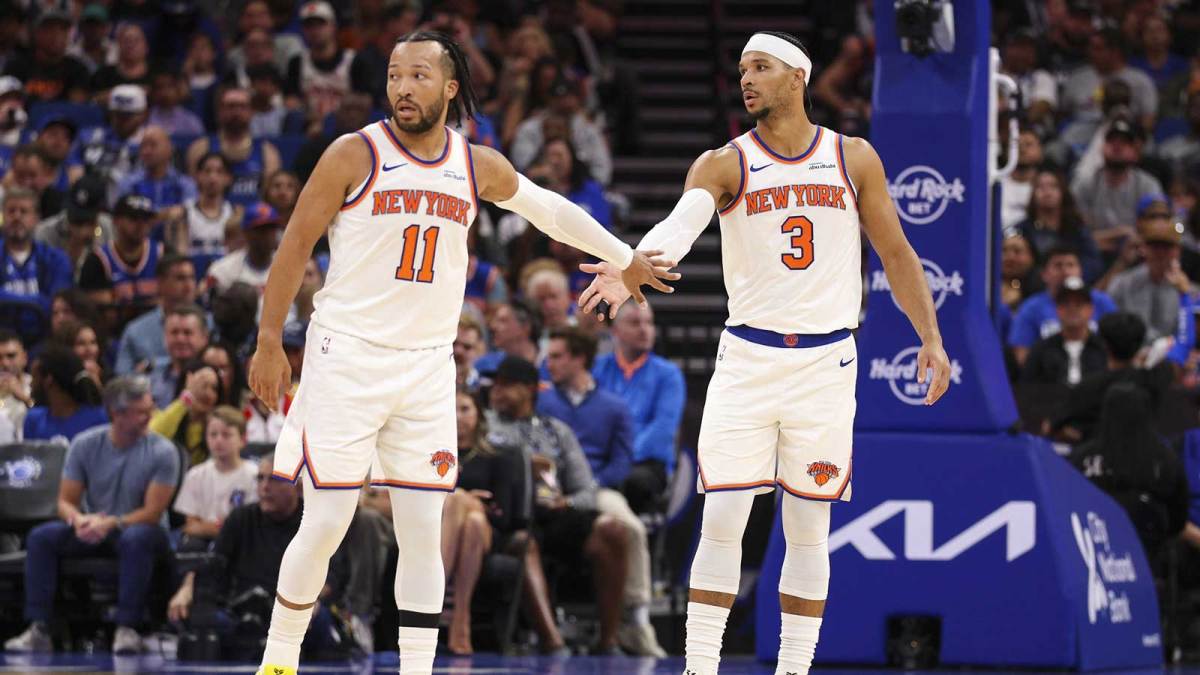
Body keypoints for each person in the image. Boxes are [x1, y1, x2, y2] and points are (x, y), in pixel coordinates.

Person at [244, 31, 673, 675]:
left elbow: (552, 211)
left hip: (426, 367)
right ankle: (277, 663)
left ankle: (418, 668)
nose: (402, 88)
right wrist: (270, 340)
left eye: (418, 76)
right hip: (347, 357)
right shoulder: (352, 153)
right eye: (394, 75)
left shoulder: (475, 164)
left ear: (449, 87)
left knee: (424, 527)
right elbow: (294, 247)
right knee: (328, 520)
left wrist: (625, 256)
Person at [578, 31, 952, 675]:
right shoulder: (723, 162)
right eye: (744, 68)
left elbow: (896, 253)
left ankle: (795, 668)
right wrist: (630, 267)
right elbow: (679, 227)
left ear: (798, 78)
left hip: (827, 362)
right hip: (748, 359)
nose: (747, 78)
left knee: (809, 528)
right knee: (722, 516)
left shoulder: (852, 157)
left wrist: (932, 338)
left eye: (762, 68)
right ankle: (699, 666)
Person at [3, 376, 179, 654]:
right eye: (142, 412)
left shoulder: (163, 451)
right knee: (41, 538)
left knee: (136, 538)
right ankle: (39, 627)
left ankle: (127, 627)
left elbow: (152, 512)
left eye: (150, 409)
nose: (150, 416)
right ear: (116, 414)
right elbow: (64, 501)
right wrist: (78, 520)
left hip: (142, 529)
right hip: (93, 525)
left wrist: (112, 522)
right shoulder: (85, 444)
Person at [487, 356, 630, 655]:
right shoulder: (485, 426)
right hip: (505, 516)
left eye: (506, 386)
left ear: (528, 389)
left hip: (552, 515)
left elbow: (587, 489)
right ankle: (552, 642)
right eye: (495, 385)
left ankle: (609, 639)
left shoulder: (556, 431)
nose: (496, 392)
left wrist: (566, 501)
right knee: (524, 543)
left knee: (612, 530)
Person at [536, 326, 665, 656]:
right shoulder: (541, 401)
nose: (549, 363)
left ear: (580, 359)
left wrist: (587, 490)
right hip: (550, 488)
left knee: (632, 528)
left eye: (557, 357)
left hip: (600, 486)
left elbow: (622, 462)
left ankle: (637, 621)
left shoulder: (614, 406)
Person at [167, 454, 349, 659]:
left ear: (297, 486)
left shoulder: (316, 524)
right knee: (200, 617)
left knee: (320, 620)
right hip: (242, 609)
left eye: (274, 479)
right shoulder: (240, 518)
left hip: (295, 608)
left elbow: (332, 576)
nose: (264, 487)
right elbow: (214, 564)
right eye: (260, 478)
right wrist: (186, 589)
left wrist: (309, 601)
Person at [440, 387, 528, 655]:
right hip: (438, 528)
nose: (458, 416)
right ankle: (460, 617)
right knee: (471, 520)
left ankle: (436, 594)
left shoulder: (497, 457)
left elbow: (504, 513)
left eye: (465, 409)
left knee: (467, 508)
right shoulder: (435, 456)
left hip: (491, 532)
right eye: (452, 409)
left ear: (479, 415)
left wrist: (467, 500)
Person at [1068, 382, 1189, 557]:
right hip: (1150, 563)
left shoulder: (1081, 458)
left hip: (1094, 562)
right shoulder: (1165, 460)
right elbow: (1178, 521)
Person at [593, 301, 686, 513]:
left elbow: (662, 430)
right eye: (635, 323)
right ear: (615, 331)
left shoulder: (668, 375)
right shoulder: (597, 368)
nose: (645, 329)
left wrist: (619, 459)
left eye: (649, 323)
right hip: (604, 459)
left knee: (629, 482)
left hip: (646, 463)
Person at [1050, 311, 1173, 442]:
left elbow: (1052, 425)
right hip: (1146, 452)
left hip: (1096, 454)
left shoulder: (1088, 387)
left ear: (1104, 344)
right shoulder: (1155, 379)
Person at [1007, 246, 1119, 365]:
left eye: (1071, 265)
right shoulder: (1031, 308)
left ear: (1080, 271)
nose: (1065, 271)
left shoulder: (1101, 302)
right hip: (1049, 376)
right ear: (1044, 274)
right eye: (1058, 265)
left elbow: (1118, 346)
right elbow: (1022, 356)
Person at [1070, 116, 1164, 257]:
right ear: (1102, 148)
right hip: (1093, 254)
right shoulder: (1086, 183)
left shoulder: (1148, 185)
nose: (1117, 146)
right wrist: (1121, 233)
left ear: (1136, 152)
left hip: (1137, 253)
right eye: (1111, 141)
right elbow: (1077, 235)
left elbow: (1155, 229)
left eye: (1125, 142)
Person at [173, 405, 258, 551]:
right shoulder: (196, 474)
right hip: (203, 538)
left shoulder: (254, 475)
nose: (218, 440)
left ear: (243, 439)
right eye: (213, 434)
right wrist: (215, 529)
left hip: (242, 539)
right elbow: (191, 525)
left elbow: (252, 523)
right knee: (190, 546)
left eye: (226, 435)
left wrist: (218, 528)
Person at [1106, 201, 1193, 342]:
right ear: (1143, 248)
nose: (1160, 252)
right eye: (1154, 246)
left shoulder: (1188, 290)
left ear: (1178, 251)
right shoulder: (1122, 284)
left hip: (1172, 358)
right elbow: (1109, 325)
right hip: (1129, 354)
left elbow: (1188, 335)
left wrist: (1185, 294)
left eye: (1166, 247)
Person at [185, 86, 282, 209]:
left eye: (242, 106)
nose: (236, 112)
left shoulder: (268, 152)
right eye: (231, 106)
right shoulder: (200, 149)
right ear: (220, 111)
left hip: (252, 223)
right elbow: (193, 195)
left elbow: (269, 200)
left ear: (252, 112)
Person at [0, 187, 73, 340]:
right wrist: (37, 301)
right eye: (11, 211)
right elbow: (44, 303)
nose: (17, 217)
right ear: (3, 216)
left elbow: (56, 305)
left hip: (43, 342)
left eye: (24, 211)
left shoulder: (56, 259)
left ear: (36, 218)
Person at [114, 254, 198, 375]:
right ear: (160, 283)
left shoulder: (210, 325)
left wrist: (152, 365)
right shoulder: (135, 331)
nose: (189, 285)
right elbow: (122, 379)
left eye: (192, 278)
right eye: (180, 278)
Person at [1020, 276, 1109, 386]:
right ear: (1057, 309)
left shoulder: (1104, 348)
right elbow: (1028, 388)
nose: (1072, 309)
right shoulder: (1041, 350)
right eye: (1066, 304)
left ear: (1090, 310)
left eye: (1079, 304)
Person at [23, 346, 106, 444]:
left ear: (48, 380)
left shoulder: (99, 419)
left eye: (34, 377)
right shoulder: (33, 420)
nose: (31, 384)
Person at [180, 152, 239, 277]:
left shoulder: (236, 213)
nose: (213, 177)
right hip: (193, 277)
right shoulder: (184, 213)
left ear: (228, 178)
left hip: (226, 278)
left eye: (219, 172)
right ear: (197, 176)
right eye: (207, 171)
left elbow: (238, 257)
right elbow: (180, 256)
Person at [148, 304, 210, 409]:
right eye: (174, 332)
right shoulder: (150, 382)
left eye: (187, 333)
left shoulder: (213, 381)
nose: (180, 339)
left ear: (204, 337)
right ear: (164, 337)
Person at [475, 300, 541, 375]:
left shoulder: (551, 362)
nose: (493, 326)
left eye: (503, 321)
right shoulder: (485, 365)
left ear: (526, 327)